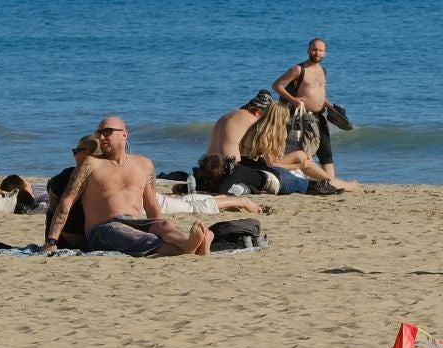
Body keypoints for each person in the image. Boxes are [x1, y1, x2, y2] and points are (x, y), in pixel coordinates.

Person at [41, 117, 210, 256]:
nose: (101, 137)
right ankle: (193, 248)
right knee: (126, 234)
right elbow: (66, 202)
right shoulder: (91, 164)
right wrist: (51, 241)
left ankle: (190, 244)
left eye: (107, 132)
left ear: (124, 135)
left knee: (165, 226)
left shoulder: (144, 164)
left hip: (137, 222)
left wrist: (158, 226)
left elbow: (151, 206)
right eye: (98, 133)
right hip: (104, 229)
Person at [238, 102, 359, 194]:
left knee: (301, 155)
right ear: (279, 117)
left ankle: (333, 181)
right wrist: (298, 167)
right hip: (257, 167)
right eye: (285, 117)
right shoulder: (264, 135)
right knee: (304, 162)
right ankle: (345, 185)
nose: (287, 120)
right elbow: (271, 165)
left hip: (252, 164)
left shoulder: (256, 128)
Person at [273, 38, 339, 179]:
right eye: (314, 49)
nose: (317, 53)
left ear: (325, 53)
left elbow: (319, 94)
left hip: (320, 116)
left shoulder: (323, 71)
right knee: (304, 150)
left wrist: (332, 107)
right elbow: (277, 85)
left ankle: (331, 181)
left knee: (326, 150)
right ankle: (301, 177)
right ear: (308, 50)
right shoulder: (299, 69)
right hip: (303, 117)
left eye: (320, 50)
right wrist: (293, 99)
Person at [205, 89, 276, 162]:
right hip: (229, 168)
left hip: (207, 166)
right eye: (266, 117)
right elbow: (267, 152)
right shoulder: (252, 119)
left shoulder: (228, 116)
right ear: (257, 112)